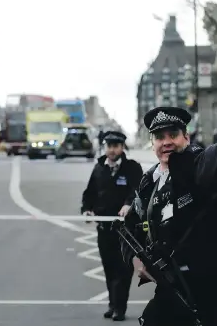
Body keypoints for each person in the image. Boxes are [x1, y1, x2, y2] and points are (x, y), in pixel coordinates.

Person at [120, 107, 217, 326]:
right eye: (160, 137)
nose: (167, 142)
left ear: (186, 138)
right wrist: (135, 260)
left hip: (214, 281)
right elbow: (130, 226)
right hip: (173, 280)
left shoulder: (193, 163)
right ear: (152, 143)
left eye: (173, 135)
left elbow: (208, 159)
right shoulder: (149, 182)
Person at [81, 131, 144, 321]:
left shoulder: (132, 168)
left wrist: (128, 204)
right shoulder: (99, 168)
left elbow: (137, 190)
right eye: (109, 146)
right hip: (104, 229)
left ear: (122, 147)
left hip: (125, 231)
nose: (112, 150)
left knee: (123, 269)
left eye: (116, 146)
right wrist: (86, 209)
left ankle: (120, 308)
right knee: (108, 267)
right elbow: (89, 193)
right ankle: (112, 303)